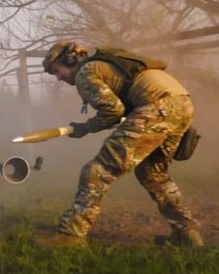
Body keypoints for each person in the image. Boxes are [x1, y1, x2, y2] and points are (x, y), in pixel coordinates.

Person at [41, 40, 204, 247]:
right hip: (182, 104)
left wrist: (85, 127)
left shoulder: (85, 72)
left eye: (57, 70)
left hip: (157, 106)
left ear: (70, 59)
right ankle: (186, 233)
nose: (58, 78)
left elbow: (113, 111)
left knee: (97, 171)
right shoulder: (106, 64)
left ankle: (70, 235)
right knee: (152, 173)